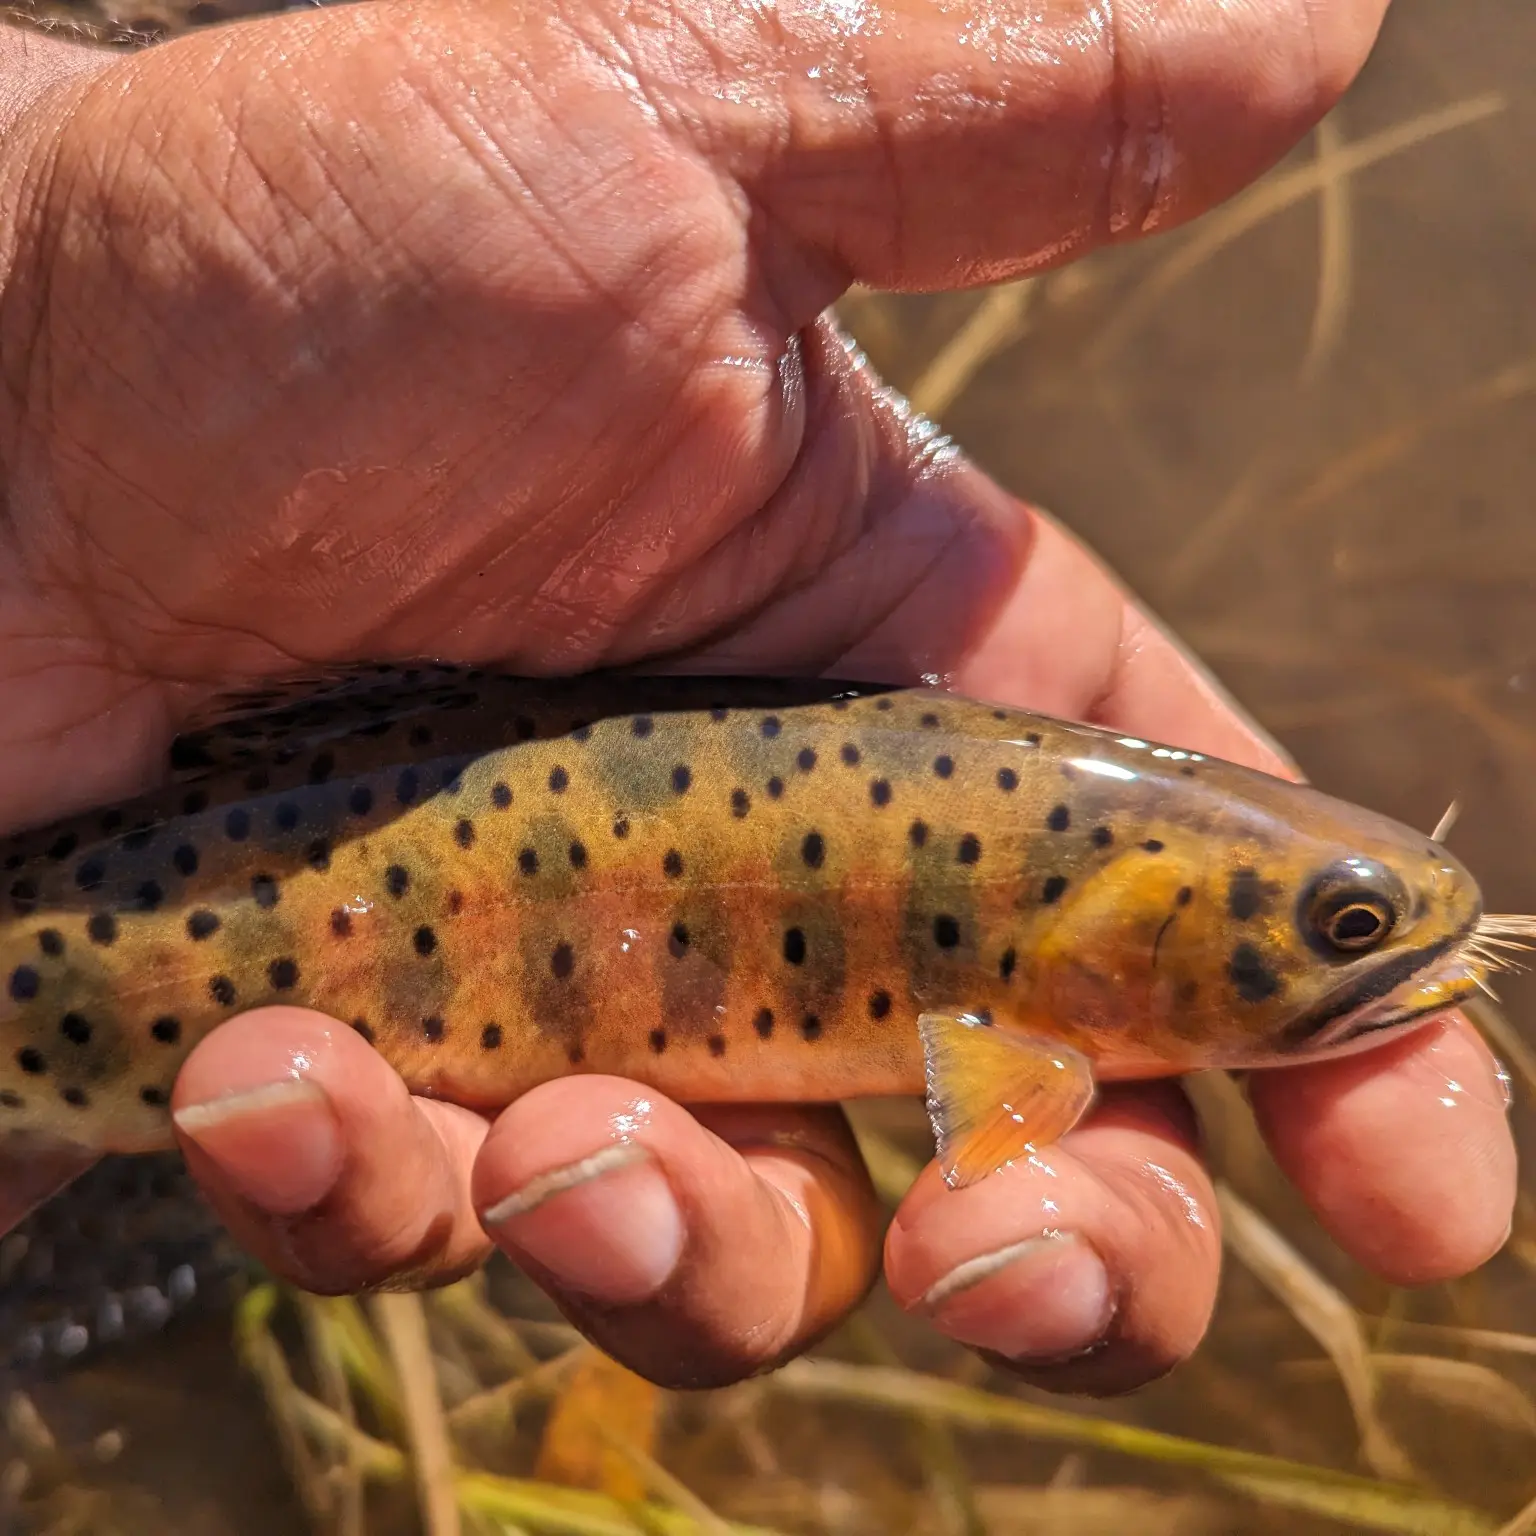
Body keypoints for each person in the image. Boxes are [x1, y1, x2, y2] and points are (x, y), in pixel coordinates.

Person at [0, 0, 1512, 1397]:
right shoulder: (1028, 1046)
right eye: (1348, 926)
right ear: (1131, 920)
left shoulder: (1031, 958)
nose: (1378, 948)